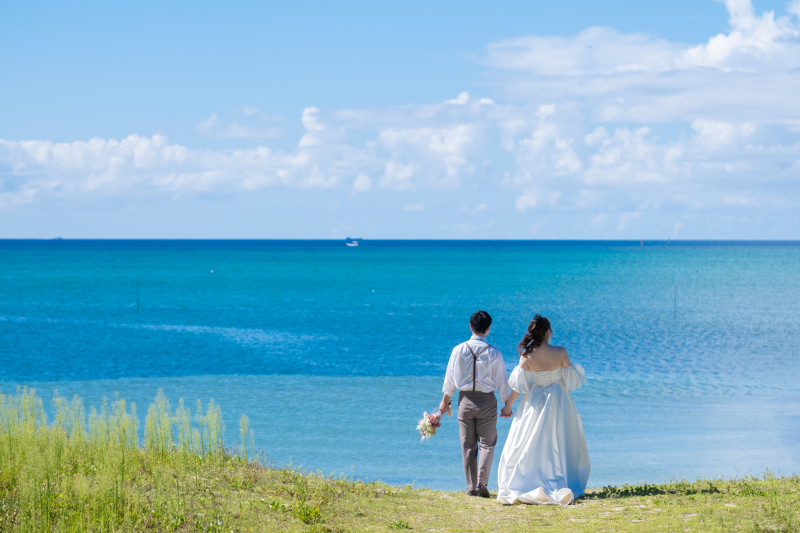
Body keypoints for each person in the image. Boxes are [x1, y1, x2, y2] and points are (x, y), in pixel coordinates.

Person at [496, 314, 590, 505]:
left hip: (534, 399)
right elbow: (570, 380)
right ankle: (559, 478)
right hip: (559, 400)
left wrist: (508, 406)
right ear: (548, 331)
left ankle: (528, 479)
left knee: (529, 440)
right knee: (558, 439)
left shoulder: (526, 355)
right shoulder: (561, 352)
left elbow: (519, 387)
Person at [439, 310, 514, 497]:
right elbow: (502, 381)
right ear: (488, 329)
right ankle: (482, 482)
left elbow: (450, 380)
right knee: (487, 444)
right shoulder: (494, 352)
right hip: (487, 400)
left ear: (470, 326)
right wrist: (507, 404)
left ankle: (471, 486)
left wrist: (444, 402)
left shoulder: (458, 350)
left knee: (468, 445)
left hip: (464, 400)